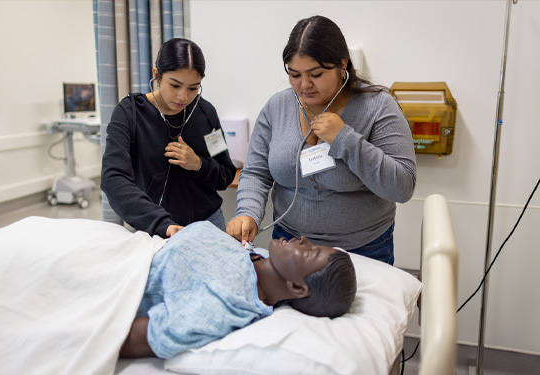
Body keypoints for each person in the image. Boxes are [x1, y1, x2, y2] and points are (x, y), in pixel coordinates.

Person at [226, 15, 416, 265]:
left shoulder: (378, 107)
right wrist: (248, 213)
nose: (304, 85)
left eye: (315, 74)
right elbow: (256, 173)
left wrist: (345, 140)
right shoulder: (277, 108)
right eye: (294, 74)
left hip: (363, 250)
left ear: (342, 65)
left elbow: (402, 187)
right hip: (289, 244)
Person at [119, 220, 357, 359]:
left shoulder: (226, 302)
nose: (303, 239)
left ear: (296, 287)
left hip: (116, 275)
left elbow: (122, 335)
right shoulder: (259, 257)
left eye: (310, 251)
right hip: (125, 243)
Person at [101, 38, 236, 238]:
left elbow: (225, 174)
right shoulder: (130, 113)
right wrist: (162, 224)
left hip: (208, 224)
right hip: (153, 229)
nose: (183, 96)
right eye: (175, 85)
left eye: (193, 88)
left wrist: (198, 164)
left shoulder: (205, 113)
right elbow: (113, 179)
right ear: (157, 76)